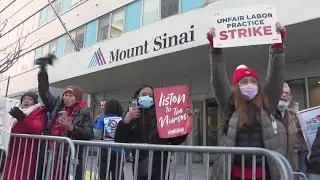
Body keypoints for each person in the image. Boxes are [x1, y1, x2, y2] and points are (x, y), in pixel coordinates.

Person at [207, 23, 287, 180]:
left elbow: (276, 76)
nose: (249, 84)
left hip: (264, 174)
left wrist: (277, 46)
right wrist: (215, 49)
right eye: (244, 82)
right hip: (235, 174)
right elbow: (218, 80)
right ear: (236, 87)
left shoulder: (266, 103)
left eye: (252, 81)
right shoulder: (231, 105)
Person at [36, 54, 94, 180]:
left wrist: (72, 127)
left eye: (70, 96)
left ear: (77, 99)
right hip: (51, 152)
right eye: (65, 95)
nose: (66, 98)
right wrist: (42, 71)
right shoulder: (56, 105)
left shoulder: (83, 112)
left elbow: (89, 134)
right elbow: (44, 92)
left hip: (70, 156)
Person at [115, 85, 189, 180]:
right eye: (144, 94)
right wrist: (126, 120)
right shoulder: (132, 115)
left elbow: (175, 140)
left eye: (150, 96)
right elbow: (119, 139)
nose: (147, 97)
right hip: (140, 164)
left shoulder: (163, 114)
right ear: (138, 96)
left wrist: (184, 123)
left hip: (160, 164)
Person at [3, 91, 47, 180]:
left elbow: (37, 128)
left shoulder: (38, 112)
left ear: (35, 102)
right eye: (24, 99)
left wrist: (22, 119)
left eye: (30, 99)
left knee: (21, 175)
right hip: (14, 150)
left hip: (27, 151)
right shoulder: (17, 112)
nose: (26, 101)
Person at [274, 83, 308, 175]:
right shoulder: (267, 116)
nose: (284, 95)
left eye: (287, 93)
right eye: (281, 92)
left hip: (293, 170)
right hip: (274, 171)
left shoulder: (294, 117)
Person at [94, 99, 124, 180]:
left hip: (105, 149)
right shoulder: (122, 119)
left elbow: (97, 135)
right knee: (118, 173)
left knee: (104, 173)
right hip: (119, 150)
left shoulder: (102, 118)